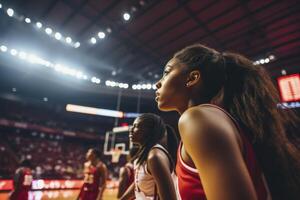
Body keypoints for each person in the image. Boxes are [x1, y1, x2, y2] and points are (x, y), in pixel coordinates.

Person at [155, 44, 300, 200]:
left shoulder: (197, 119)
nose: (158, 82)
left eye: (167, 72)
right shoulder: (213, 120)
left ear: (192, 78)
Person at [120, 113, 179, 200]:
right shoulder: (145, 154)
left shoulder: (155, 157)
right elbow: (138, 183)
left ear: (149, 131)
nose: (131, 129)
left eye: (136, 126)